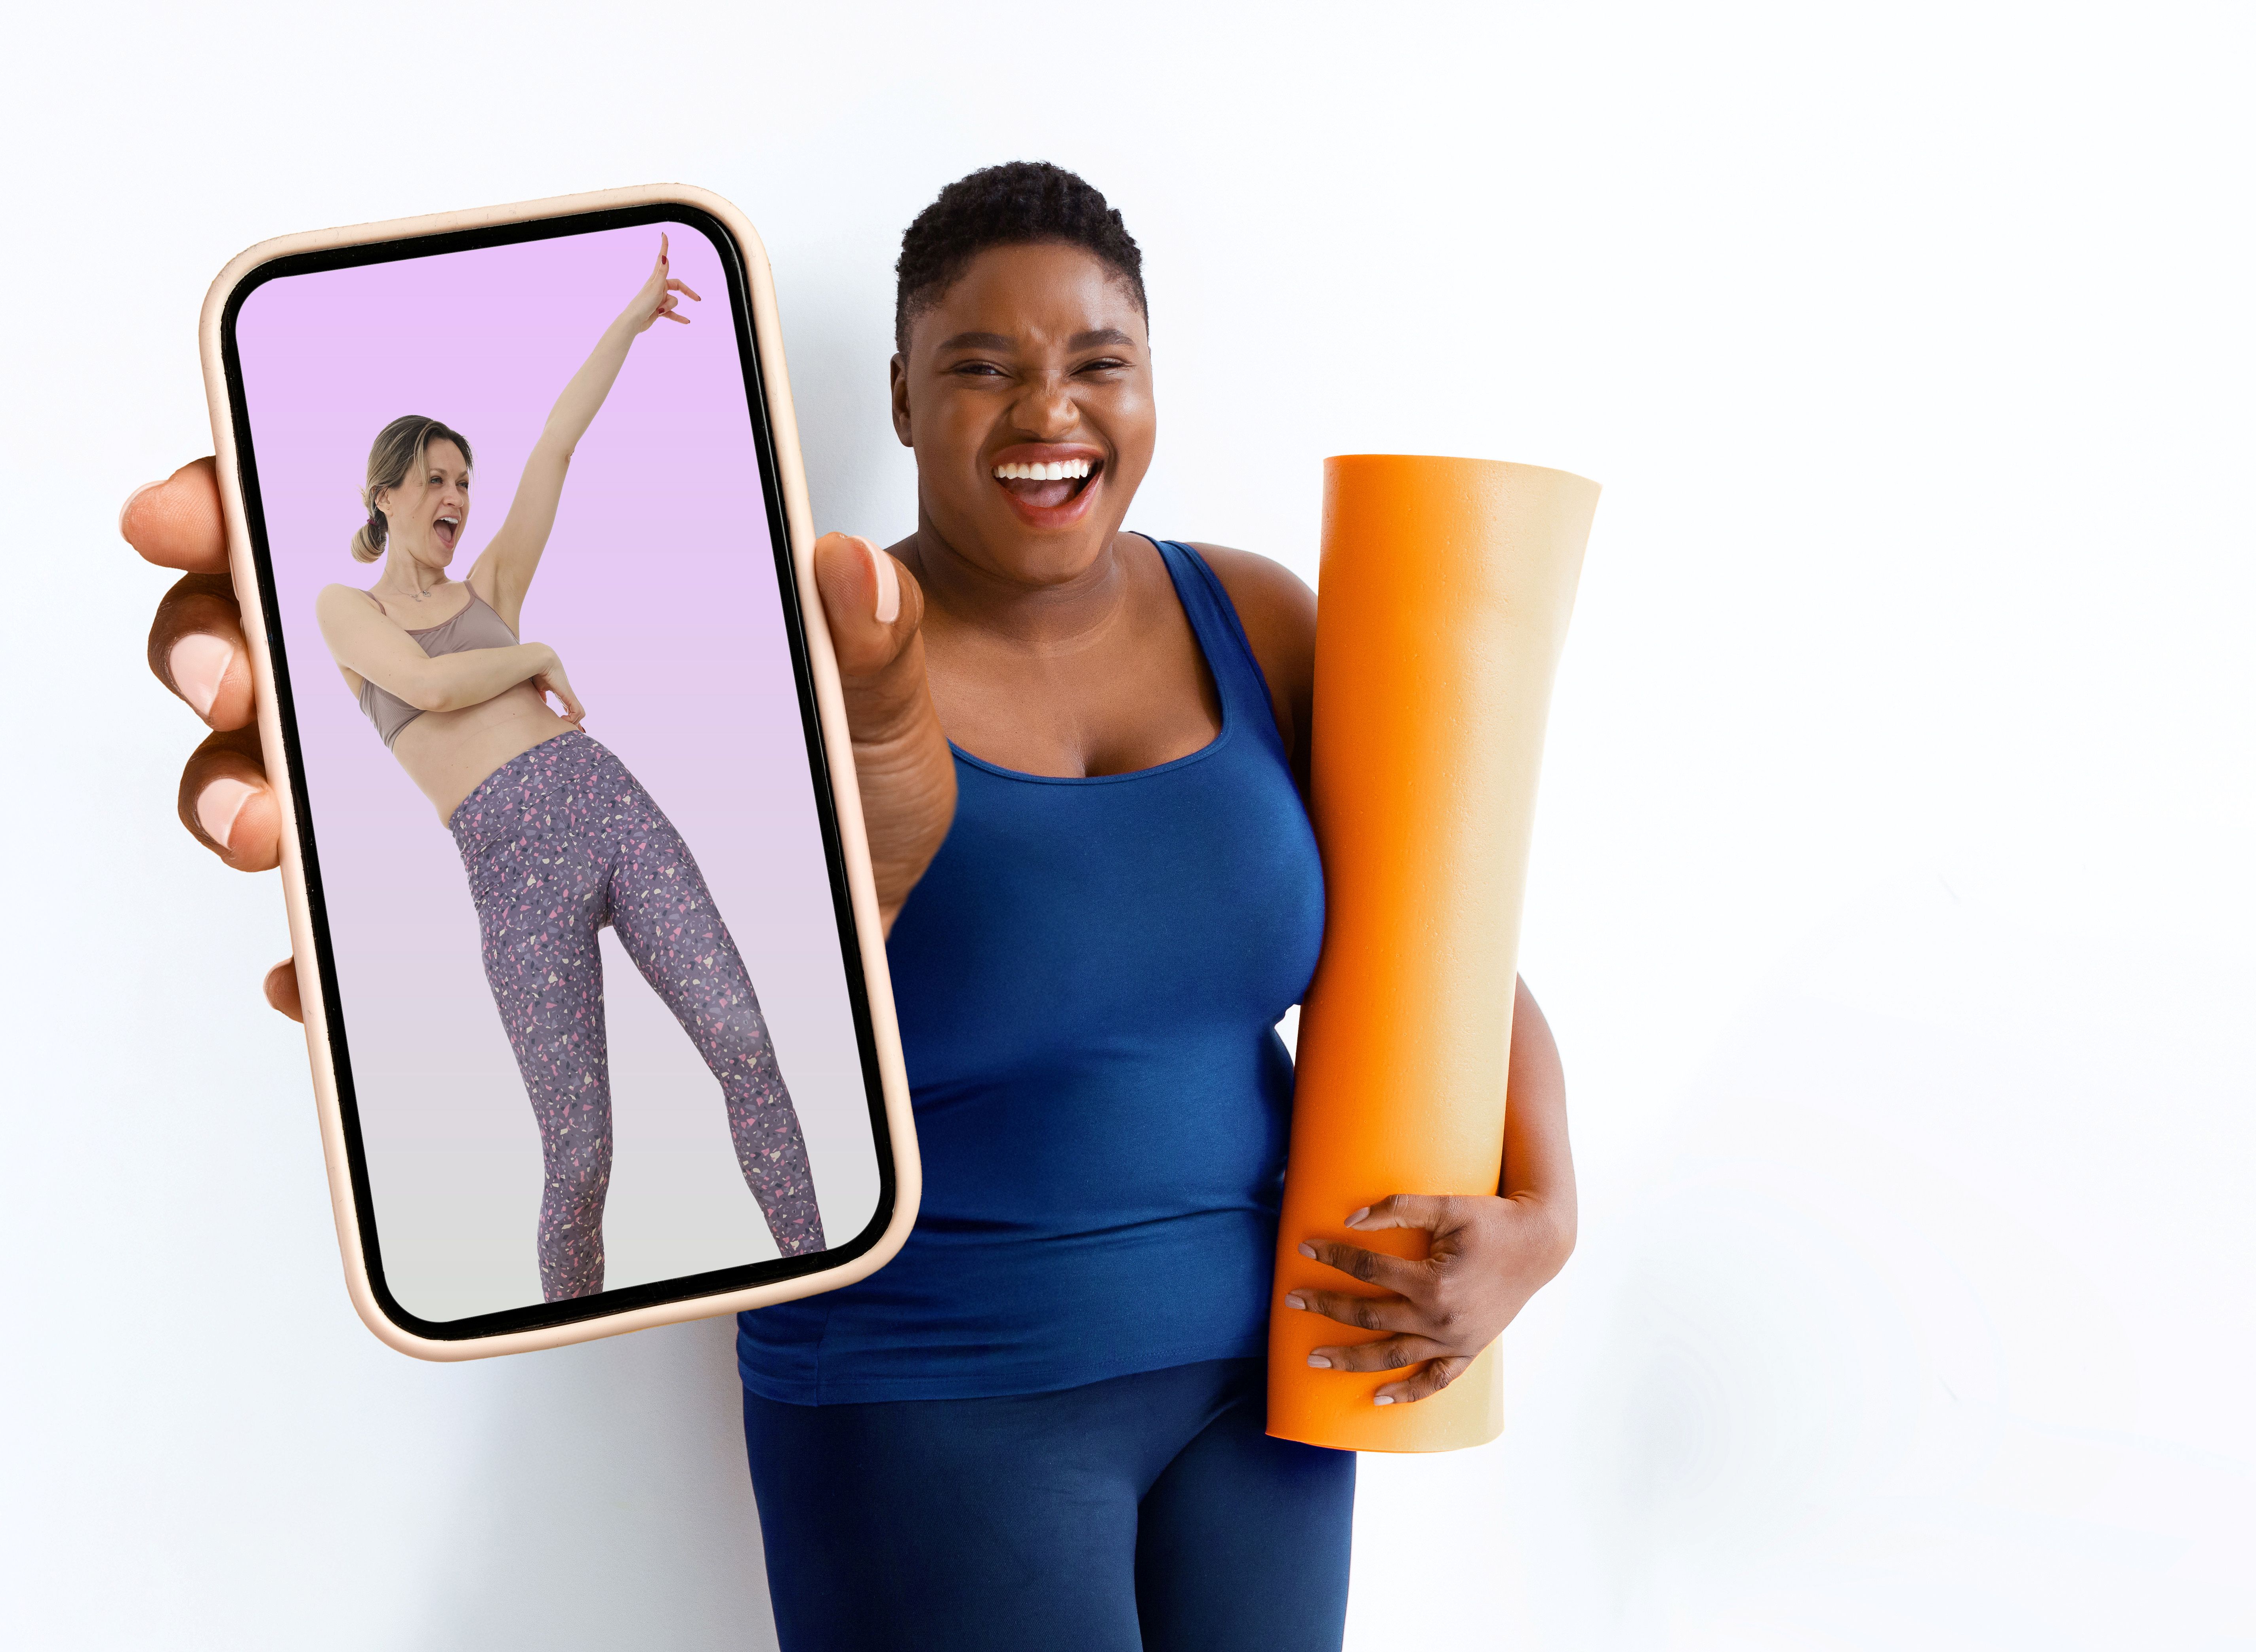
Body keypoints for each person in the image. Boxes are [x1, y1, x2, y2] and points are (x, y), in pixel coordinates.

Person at [127, 165, 1575, 1651]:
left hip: (1273, 1386)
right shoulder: (801, 662)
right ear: (898, 395)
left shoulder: (1256, 616)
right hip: (929, 1395)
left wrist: (1544, 1213)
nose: (1049, 412)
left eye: (1098, 364)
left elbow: (1434, 938)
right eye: (982, 367)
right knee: (589, 1134)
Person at [320, 235, 823, 1299]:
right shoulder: (345, 610)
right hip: (508, 870)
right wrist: (536, 653)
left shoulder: (493, 580)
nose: (458, 495)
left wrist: (635, 320)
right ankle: (572, 1333)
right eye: (438, 479)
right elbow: (434, 686)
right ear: (386, 491)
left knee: (742, 1038)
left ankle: (823, 1266)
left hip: (604, 801)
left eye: (466, 478)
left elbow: (557, 439)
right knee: (581, 1152)